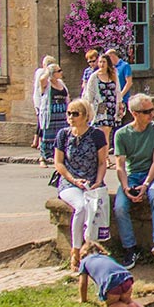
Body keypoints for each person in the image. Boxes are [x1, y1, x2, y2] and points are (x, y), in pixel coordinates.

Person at [110, 94, 154, 262]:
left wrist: (147, 184)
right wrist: (126, 186)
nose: (152, 115)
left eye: (152, 110)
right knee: (120, 207)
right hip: (132, 176)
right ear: (135, 113)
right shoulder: (121, 134)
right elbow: (120, 165)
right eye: (147, 111)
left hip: (153, 174)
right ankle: (130, 248)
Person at [53, 99, 109, 264]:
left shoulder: (96, 135)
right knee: (81, 207)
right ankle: (76, 250)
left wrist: (98, 181)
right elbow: (59, 163)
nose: (71, 117)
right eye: (69, 113)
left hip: (91, 181)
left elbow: (102, 162)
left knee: (95, 208)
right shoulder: (63, 134)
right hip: (69, 182)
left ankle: (92, 249)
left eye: (75, 114)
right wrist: (73, 179)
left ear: (85, 116)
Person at [79, 250, 153, 307]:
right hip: (126, 277)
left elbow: (83, 283)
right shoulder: (106, 257)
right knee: (127, 300)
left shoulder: (84, 261)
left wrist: (83, 299)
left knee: (111, 305)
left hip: (112, 282)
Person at [32, 57, 68, 165]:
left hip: (61, 113)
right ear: (53, 73)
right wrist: (48, 70)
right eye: (58, 71)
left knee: (61, 135)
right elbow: (41, 80)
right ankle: (43, 158)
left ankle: (59, 157)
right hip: (50, 113)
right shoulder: (46, 84)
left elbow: (67, 96)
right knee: (47, 135)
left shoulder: (61, 83)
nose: (61, 72)